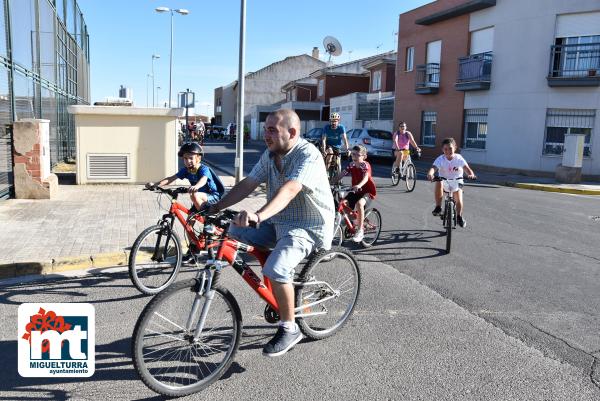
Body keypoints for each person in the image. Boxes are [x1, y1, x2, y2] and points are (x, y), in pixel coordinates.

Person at [209, 109, 334, 357]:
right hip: (278, 222)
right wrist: (215, 207)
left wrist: (258, 215)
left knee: (277, 268)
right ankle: (273, 288)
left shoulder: (308, 155)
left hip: (308, 226)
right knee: (232, 230)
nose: (266, 135)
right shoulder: (270, 154)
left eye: (272, 130)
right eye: (265, 129)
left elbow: (289, 190)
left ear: (292, 132)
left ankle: (290, 327)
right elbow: (248, 184)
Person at [146, 142, 224, 261]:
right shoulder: (186, 170)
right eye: (185, 159)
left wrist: (196, 186)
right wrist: (155, 185)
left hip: (212, 197)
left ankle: (207, 219)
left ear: (198, 158)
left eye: (191, 158)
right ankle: (194, 249)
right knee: (188, 224)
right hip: (199, 201)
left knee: (194, 193)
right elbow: (171, 179)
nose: (188, 161)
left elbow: (203, 180)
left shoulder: (203, 169)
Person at [426, 137, 476, 228]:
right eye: (445, 149)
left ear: (455, 148)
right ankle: (438, 207)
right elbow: (433, 168)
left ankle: (459, 216)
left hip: (457, 181)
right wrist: (430, 174)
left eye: (450, 148)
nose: (448, 151)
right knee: (439, 180)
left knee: (458, 199)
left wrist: (471, 174)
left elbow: (467, 169)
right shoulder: (440, 159)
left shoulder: (459, 158)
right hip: (444, 182)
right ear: (442, 150)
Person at [333, 145, 377, 242]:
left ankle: (360, 230)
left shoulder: (365, 165)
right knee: (342, 204)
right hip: (355, 191)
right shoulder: (351, 165)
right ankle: (354, 220)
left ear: (364, 156)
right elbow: (342, 174)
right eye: (353, 154)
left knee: (359, 204)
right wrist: (330, 182)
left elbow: (366, 177)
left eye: (357, 155)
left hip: (367, 192)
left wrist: (359, 185)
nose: (354, 157)